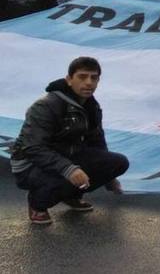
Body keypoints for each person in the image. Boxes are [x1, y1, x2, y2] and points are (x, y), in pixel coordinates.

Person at [9, 57, 129, 225]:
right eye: (82, 76)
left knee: (119, 163)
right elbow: (34, 148)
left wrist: (109, 176)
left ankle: (70, 195)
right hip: (30, 165)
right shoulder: (46, 106)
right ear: (69, 80)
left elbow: (97, 142)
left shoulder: (91, 106)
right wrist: (69, 169)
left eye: (94, 78)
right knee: (67, 174)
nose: (88, 82)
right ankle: (37, 203)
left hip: (65, 154)